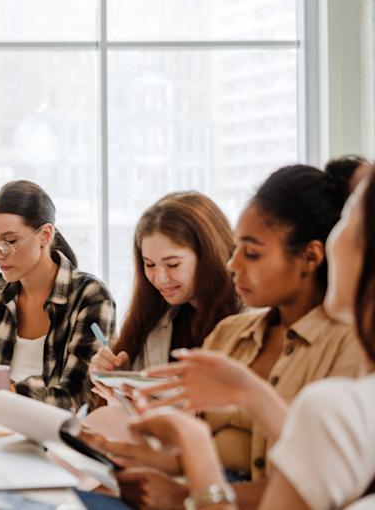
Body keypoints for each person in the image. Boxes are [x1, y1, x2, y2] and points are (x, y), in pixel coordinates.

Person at [86, 163, 368, 509]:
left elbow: (318, 483)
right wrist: (137, 453)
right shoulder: (230, 334)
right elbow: (195, 449)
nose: (233, 264)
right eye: (235, 249)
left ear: (310, 257)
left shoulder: (349, 348)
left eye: (251, 252)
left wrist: (183, 495)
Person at [0, 180, 115, 411]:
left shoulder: (90, 296)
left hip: (56, 438)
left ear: (45, 235)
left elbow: (74, 396)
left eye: (10, 241)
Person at [89, 191, 240, 374]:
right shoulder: (156, 318)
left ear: (209, 256)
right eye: (149, 264)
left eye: (173, 264)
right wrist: (123, 380)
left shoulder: (249, 320)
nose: (159, 278)